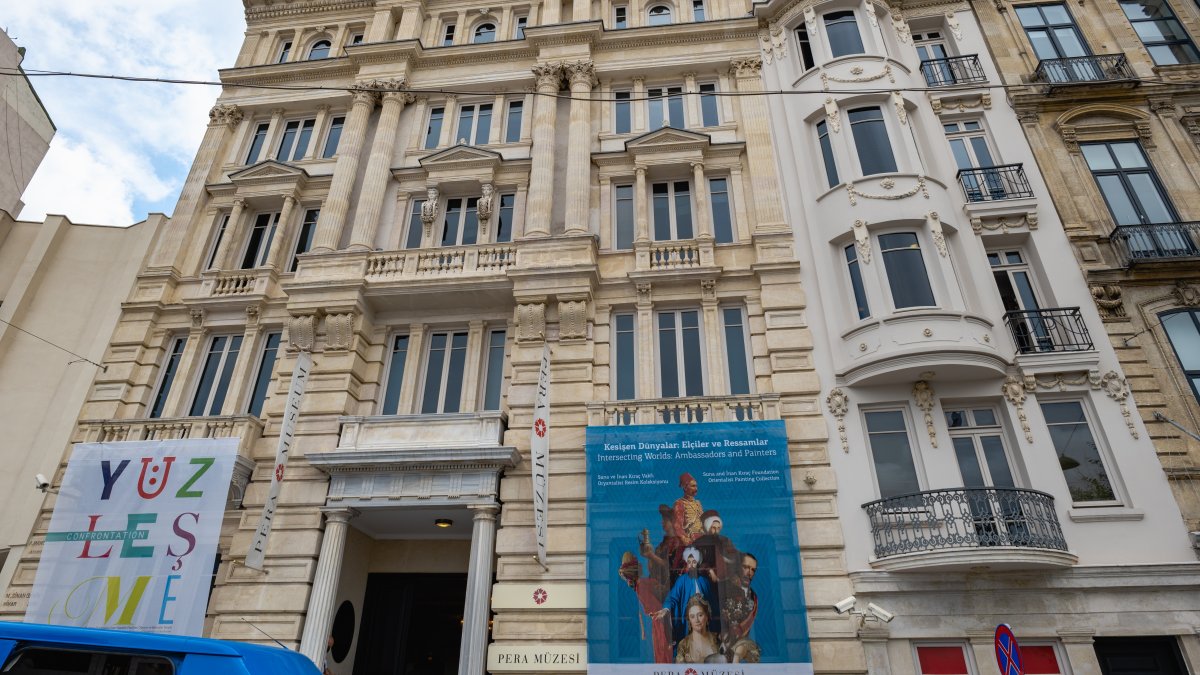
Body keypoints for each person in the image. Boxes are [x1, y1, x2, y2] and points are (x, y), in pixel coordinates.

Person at [618, 551, 674, 664]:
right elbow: (666, 591)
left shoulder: (638, 586)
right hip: (661, 621)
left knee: (661, 654)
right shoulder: (644, 583)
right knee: (665, 655)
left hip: (657, 622)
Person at [657, 547, 719, 638]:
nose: (691, 565)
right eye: (689, 562)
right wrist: (666, 609)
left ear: (698, 563)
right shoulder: (681, 580)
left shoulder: (705, 580)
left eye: (694, 562)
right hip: (689, 620)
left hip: (704, 620)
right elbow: (673, 597)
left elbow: (713, 601)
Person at [721, 553, 758, 651]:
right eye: (745, 567)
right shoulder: (724, 588)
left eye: (753, 570)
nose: (749, 572)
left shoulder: (753, 596)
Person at [675, 595, 720, 663]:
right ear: (689, 620)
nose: (697, 620)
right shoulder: (684, 644)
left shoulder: (717, 639)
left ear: (707, 616)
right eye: (692, 616)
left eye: (700, 615)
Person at [672, 473, 704, 545]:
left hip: (702, 537)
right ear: (685, 488)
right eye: (693, 486)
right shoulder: (679, 503)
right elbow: (677, 525)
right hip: (689, 538)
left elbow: (703, 522)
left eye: (696, 486)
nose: (696, 489)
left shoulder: (698, 503)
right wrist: (683, 538)